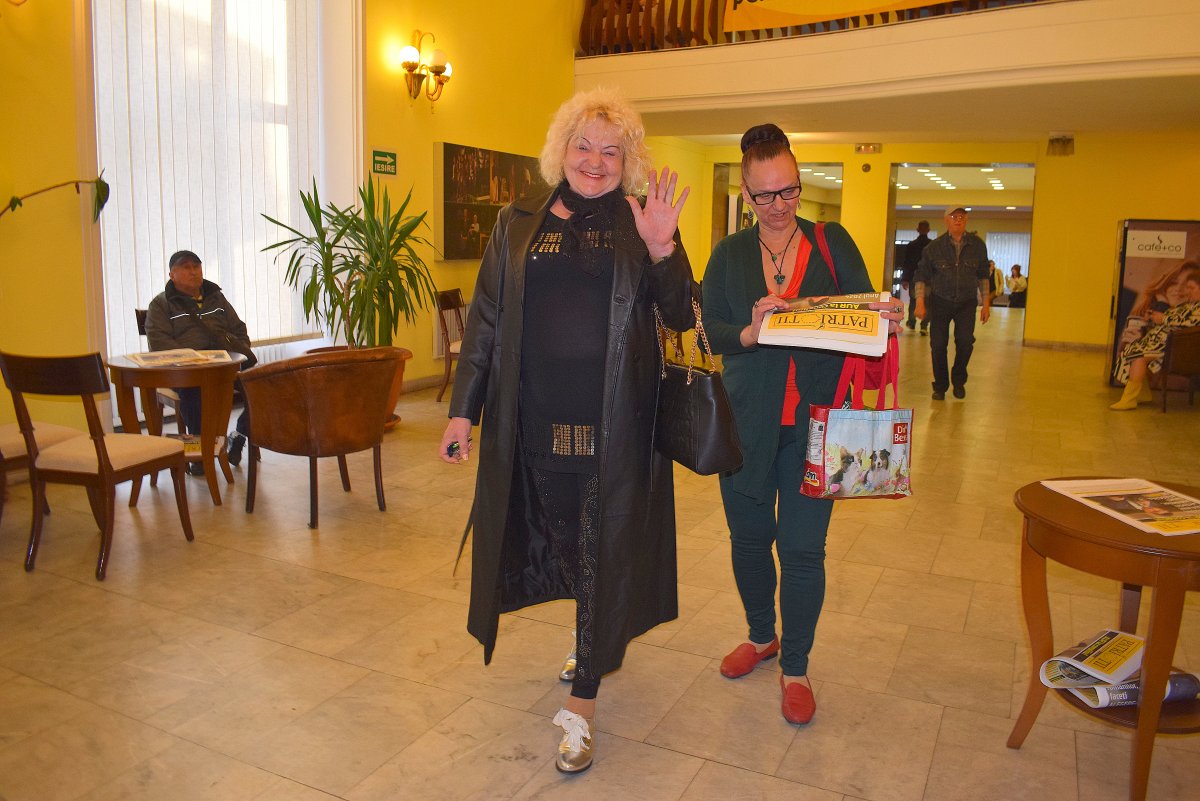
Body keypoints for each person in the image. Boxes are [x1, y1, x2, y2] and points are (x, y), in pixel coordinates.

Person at [439, 87, 693, 774]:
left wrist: (663, 249)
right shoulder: (517, 221)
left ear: (628, 160)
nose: (595, 160)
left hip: (615, 428)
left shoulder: (640, 222)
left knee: (601, 544)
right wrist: (464, 408)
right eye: (584, 145)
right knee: (561, 536)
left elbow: (680, 316)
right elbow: (487, 320)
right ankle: (591, 637)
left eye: (611, 150)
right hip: (532, 422)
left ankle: (583, 702)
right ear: (562, 149)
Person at [701, 123, 901, 726]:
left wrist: (885, 317)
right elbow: (710, 331)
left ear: (798, 180)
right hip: (745, 422)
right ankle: (762, 636)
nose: (779, 205)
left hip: (820, 423)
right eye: (764, 195)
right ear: (745, 193)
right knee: (748, 539)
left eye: (788, 190)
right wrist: (749, 331)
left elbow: (864, 316)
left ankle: (795, 666)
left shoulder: (831, 242)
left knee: (803, 548)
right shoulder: (729, 255)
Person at [145, 250, 252, 471]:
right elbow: (159, 343)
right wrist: (193, 360)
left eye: (196, 266)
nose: (193, 272)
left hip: (226, 366)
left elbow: (239, 329)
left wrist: (240, 351)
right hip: (187, 372)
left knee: (263, 389)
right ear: (172, 274)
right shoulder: (161, 304)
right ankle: (199, 455)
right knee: (194, 393)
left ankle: (238, 435)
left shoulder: (216, 297)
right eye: (186, 267)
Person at [915, 206, 991, 400]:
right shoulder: (934, 247)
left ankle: (959, 381)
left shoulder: (977, 245)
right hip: (940, 301)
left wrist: (986, 303)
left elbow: (983, 275)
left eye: (961, 216)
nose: (958, 219)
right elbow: (921, 276)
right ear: (946, 220)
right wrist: (920, 302)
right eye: (953, 216)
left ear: (966, 219)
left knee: (965, 342)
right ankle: (940, 386)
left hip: (966, 302)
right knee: (938, 345)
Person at [1110, 264, 1200, 410]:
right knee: (1130, 351)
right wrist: (1154, 317)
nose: (1185, 291)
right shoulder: (1186, 306)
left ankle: (1129, 399)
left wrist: (1163, 318)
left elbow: (1186, 324)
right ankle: (1142, 394)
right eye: (1176, 283)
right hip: (1160, 343)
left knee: (1139, 357)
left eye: (1191, 287)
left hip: (1173, 348)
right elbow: (1170, 318)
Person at [900, 220, 932, 333]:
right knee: (927, 301)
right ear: (928, 230)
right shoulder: (932, 245)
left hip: (914, 277)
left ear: (917, 230)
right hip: (929, 277)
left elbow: (907, 263)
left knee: (914, 300)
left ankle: (912, 322)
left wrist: (905, 279)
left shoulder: (912, 245)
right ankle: (924, 326)